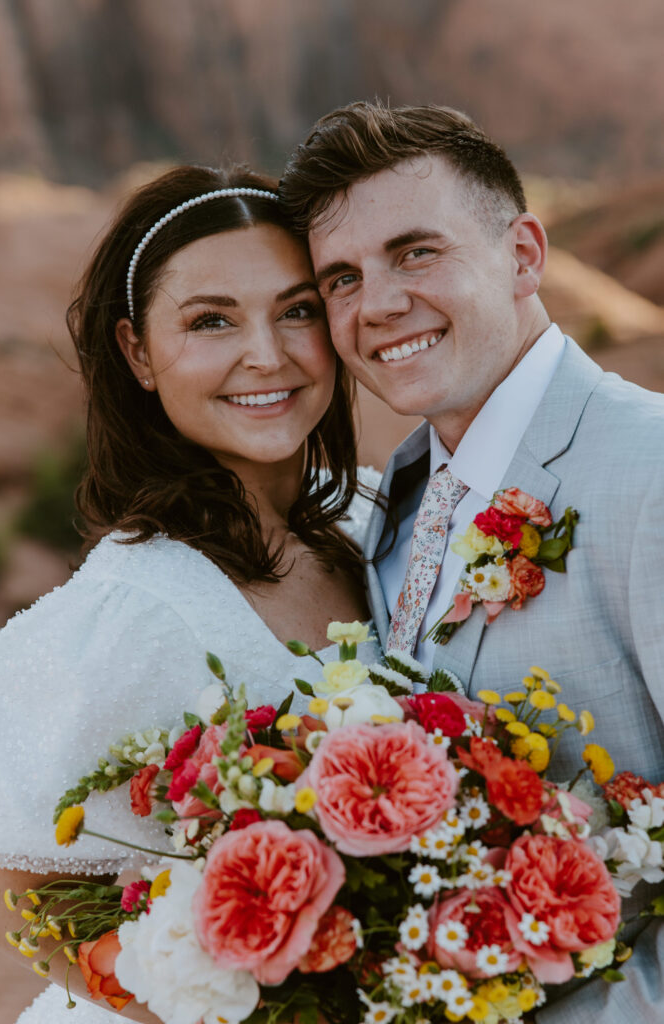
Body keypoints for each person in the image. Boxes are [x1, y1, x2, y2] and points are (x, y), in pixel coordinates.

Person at [279, 101, 664, 1023]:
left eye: (416, 252)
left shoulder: (647, 470)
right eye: (339, 279)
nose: (376, 305)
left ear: (523, 254)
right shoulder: (392, 508)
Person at [0, 164, 379, 1023]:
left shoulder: (376, 520)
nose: (266, 355)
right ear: (137, 353)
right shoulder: (135, 608)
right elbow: (11, 886)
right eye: (210, 322)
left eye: (298, 309)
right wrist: (200, 1002)